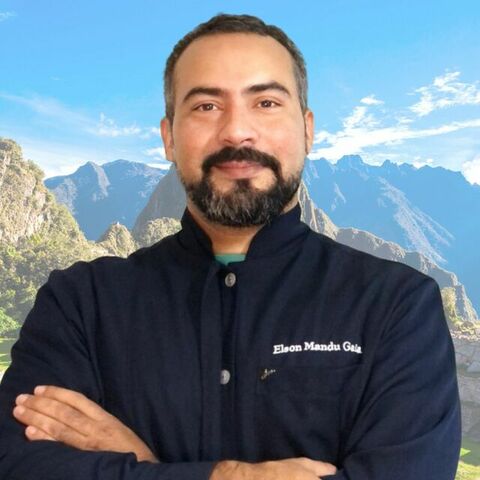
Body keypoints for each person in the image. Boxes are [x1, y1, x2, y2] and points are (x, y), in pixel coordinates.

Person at [0, 13, 461, 480]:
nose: (237, 131)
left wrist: (144, 465)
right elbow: (19, 465)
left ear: (307, 130)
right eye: (206, 106)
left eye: (266, 102)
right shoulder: (81, 305)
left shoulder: (397, 306)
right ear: (168, 137)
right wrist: (231, 475)